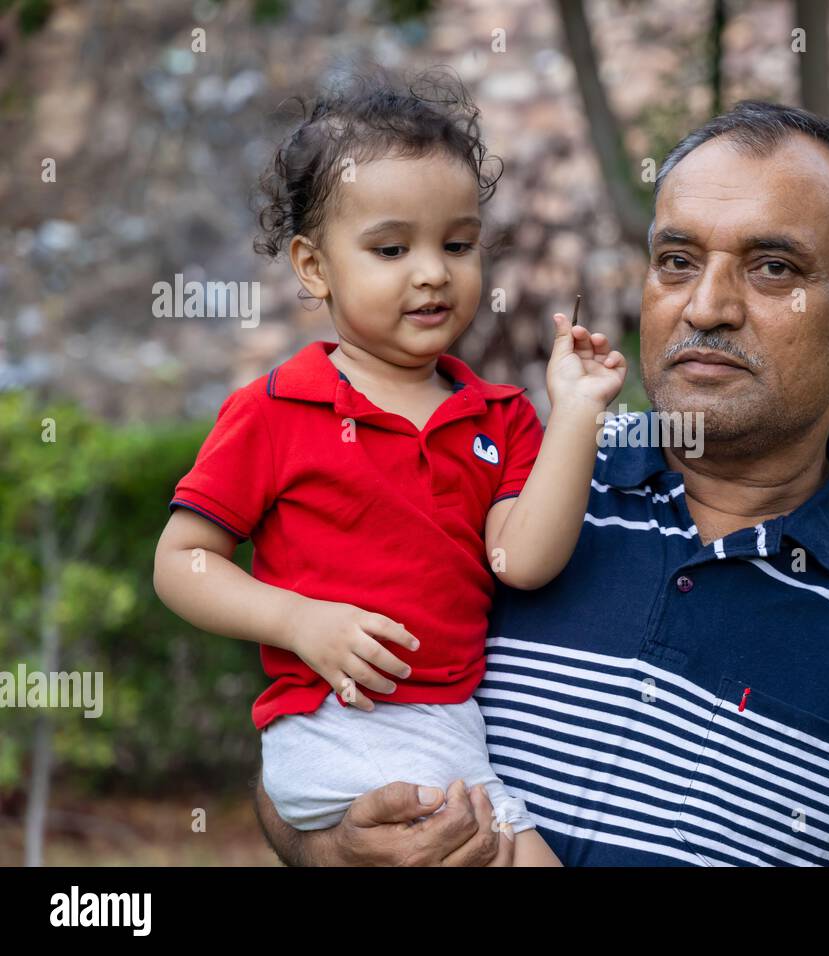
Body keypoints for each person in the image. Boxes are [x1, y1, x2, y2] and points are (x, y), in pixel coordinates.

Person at [253, 99, 829, 867]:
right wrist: (331, 850)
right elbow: (315, 744)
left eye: (772, 268)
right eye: (677, 262)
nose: (707, 307)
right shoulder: (509, 487)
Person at [152, 69, 628, 867]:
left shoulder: (500, 416)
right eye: (391, 248)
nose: (433, 271)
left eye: (458, 244)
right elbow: (181, 562)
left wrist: (575, 412)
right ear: (313, 267)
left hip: (448, 725)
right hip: (339, 723)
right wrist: (298, 620)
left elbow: (526, 561)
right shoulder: (275, 409)